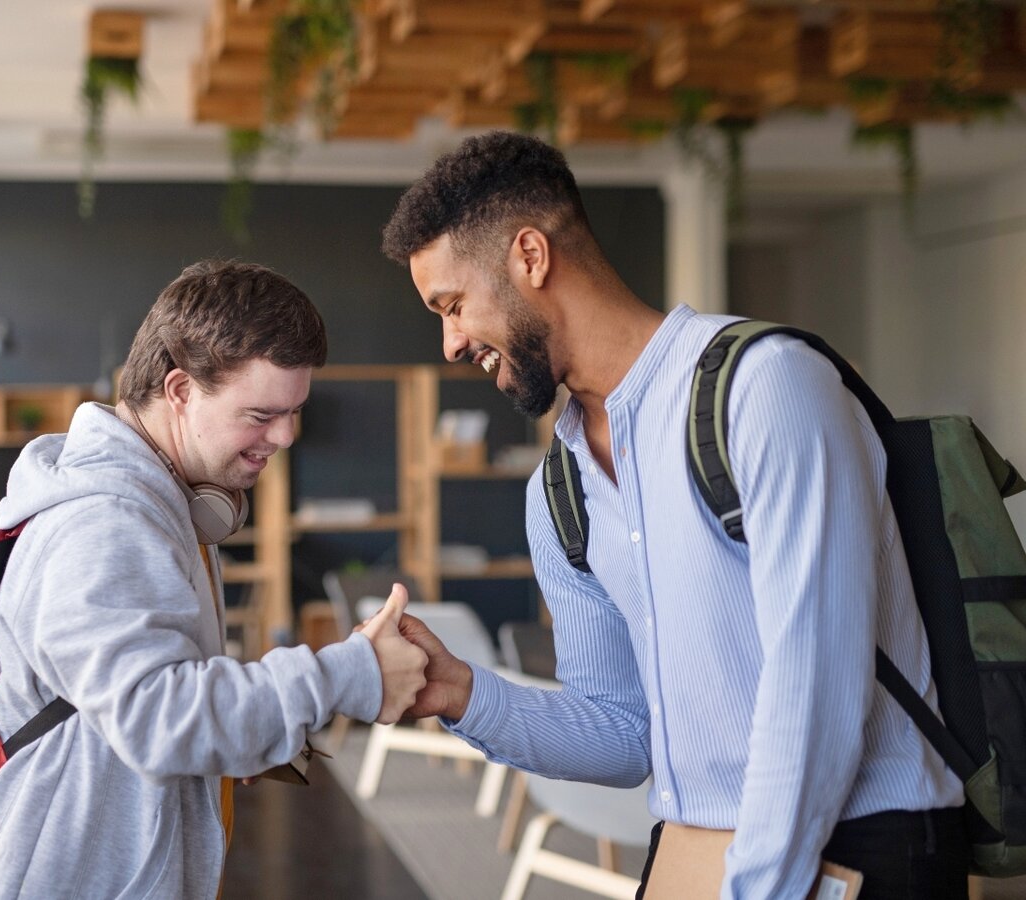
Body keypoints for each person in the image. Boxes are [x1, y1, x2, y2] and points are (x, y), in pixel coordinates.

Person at [380, 131, 968, 899]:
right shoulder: (558, 490)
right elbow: (624, 735)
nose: (452, 343)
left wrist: (753, 888)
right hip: (694, 851)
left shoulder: (766, 387)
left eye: (453, 305)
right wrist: (461, 692)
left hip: (859, 845)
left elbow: (818, 691)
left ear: (530, 256)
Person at [0, 259, 428, 900]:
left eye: (293, 412)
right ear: (179, 391)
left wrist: (244, 730)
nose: (283, 436)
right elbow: (155, 717)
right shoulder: (108, 523)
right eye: (260, 415)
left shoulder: (162, 507)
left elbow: (149, 705)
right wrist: (350, 673)